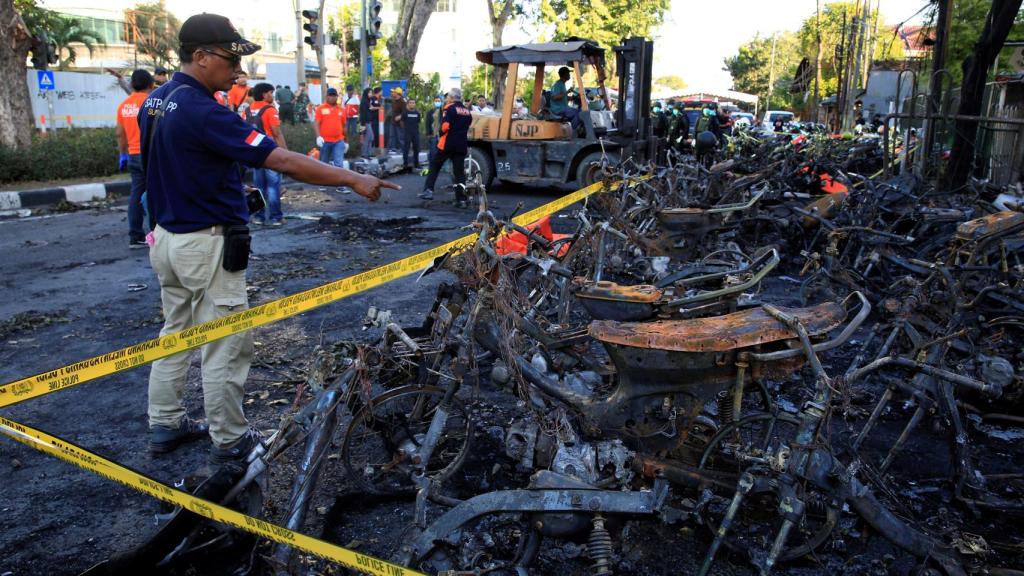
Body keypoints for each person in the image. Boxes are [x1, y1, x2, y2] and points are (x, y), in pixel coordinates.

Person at [140, 13, 399, 464]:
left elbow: (166, 166)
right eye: (229, 60)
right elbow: (282, 160)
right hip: (207, 243)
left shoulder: (156, 102)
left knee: (175, 332)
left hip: (167, 239)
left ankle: (165, 422)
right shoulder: (205, 112)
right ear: (200, 57)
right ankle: (231, 439)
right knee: (225, 342)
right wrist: (351, 178)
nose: (238, 72)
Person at [116, 69, 154, 249]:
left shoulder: (124, 106)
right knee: (157, 193)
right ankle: (158, 232)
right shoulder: (151, 102)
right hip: (151, 154)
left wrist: (122, 154)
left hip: (132, 154)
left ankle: (136, 236)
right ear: (151, 84)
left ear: (132, 85)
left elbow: (119, 134)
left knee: (136, 195)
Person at [419, 88, 472, 207]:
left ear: (452, 98)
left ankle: (428, 191)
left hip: (447, 143)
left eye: (448, 97)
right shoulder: (466, 111)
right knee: (459, 172)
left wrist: (441, 132)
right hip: (461, 144)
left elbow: (445, 127)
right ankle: (462, 199)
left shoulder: (449, 108)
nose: (446, 99)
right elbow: (468, 125)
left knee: (435, 165)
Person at [247, 82, 288, 225]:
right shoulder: (270, 110)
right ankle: (276, 217)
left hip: (255, 153)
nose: (272, 95)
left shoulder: (247, 110)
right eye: (271, 92)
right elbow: (276, 132)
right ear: (264, 94)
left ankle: (258, 217)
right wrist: (285, 153)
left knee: (258, 187)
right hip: (270, 152)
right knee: (273, 186)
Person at [314, 87, 350, 193]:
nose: (332, 97)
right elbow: (316, 123)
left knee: (339, 164)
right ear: (327, 96)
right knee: (323, 163)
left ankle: (340, 186)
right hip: (325, 141)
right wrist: (318, 136)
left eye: (334, 95)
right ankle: (321, 183)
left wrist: (346, 141)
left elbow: (344, 126)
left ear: (337, 97)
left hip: (339, 140)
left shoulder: (341, 110)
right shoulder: (321, 108)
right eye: (330, 95)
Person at [550, 66, 580, 133]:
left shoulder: (562, 84)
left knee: (579, 111)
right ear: (564, 74)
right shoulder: (557, 84)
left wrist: (572, 98)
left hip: (563, 107)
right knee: (577, 114)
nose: (569, 75)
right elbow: (555, 97)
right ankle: (572, 132)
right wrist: (567, 92)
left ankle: (572, 130)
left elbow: (562, 97)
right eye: (568, 73)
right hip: (558, 109)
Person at [402, 99, 421, 171]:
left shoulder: (417, 113)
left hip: (415, 133)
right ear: (408, 104)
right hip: (407, 133)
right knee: (406, 149)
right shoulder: (405, 113)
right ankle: (405, 164)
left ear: (415, 104)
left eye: (413, 103)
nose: (412, 104)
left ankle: (416, 164)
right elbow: (402, 121)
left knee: (416, 149)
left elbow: (418, 121)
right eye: (410, 103)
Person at [425, 93, 442, 164]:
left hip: (441, 135)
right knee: (432, 151)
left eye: (439, 101)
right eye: (436, 101)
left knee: (441, 151)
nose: (437, 102)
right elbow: (427, 123)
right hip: (433, 134)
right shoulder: (430, 112)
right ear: (434, 102)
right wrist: (428, 133)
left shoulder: (443, 112)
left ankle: (440, 165)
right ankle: (432, 165)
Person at [365, 86, 382, 155]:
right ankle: (371, 150)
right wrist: (379, 107)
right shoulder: (372, 98)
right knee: (373, 135)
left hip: (377, 120)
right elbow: (371, 107)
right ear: (379, 92)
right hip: (372, 120)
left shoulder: (378, 99)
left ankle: (375, 148)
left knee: (376, 134)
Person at [389, 87, 406, 153]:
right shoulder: (393, 100)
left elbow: (405, 112)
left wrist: (400, 116)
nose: (393, 93)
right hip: (393, 121)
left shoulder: (403, 101)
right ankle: (392, 148)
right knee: (392, 135)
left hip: (400, 122)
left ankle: (403, 149)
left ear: (398, 94)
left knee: (400, 136)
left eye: (394, 92)